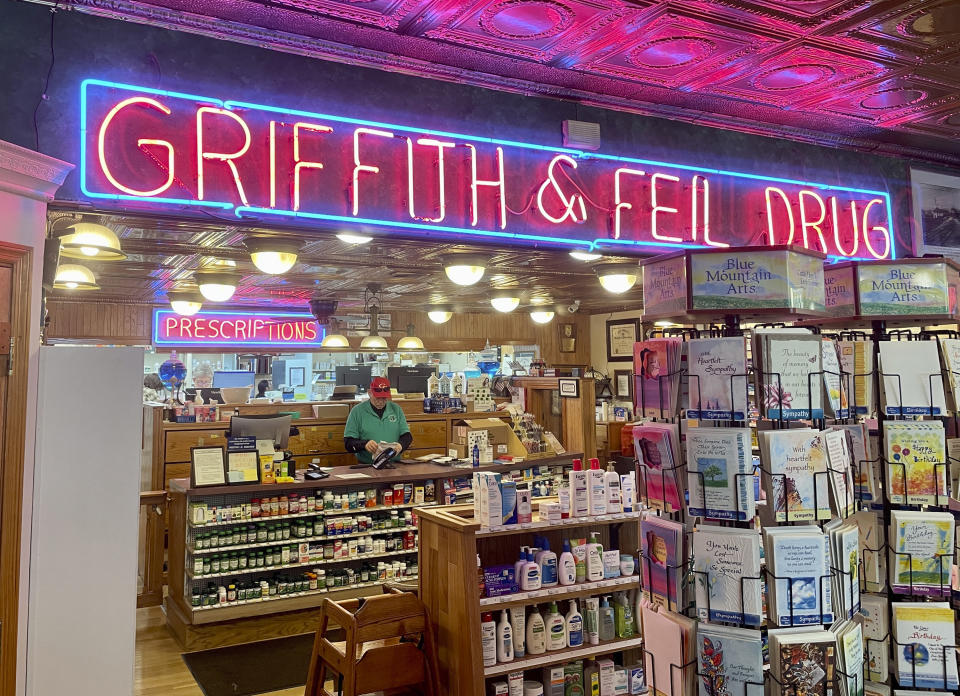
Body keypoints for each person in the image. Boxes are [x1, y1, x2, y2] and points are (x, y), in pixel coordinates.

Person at [343, 377, 412, 465]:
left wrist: (401, 445)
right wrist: (364, 444)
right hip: (367, 465)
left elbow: (407, 436)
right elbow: (348, 443)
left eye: (384, 398)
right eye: (377, 398)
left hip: (394, 464)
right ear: (369, 393)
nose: (380, 402)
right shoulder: (357, 411)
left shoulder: (396, 409)